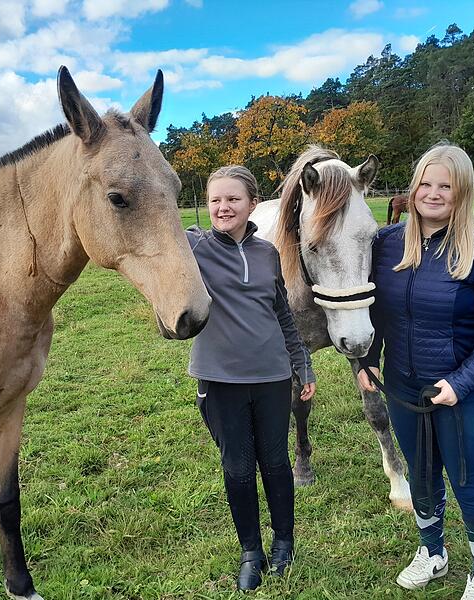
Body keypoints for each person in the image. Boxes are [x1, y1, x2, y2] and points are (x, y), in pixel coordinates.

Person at [357, 143, 474, 600]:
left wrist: (461, 383)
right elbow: (376, 310)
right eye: (425, 184)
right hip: (404, 387)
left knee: (469, 484)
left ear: (462, 192)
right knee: (421, 474)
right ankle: (432, 552)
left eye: (445, 186)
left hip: (463, 392)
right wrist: (370, 359)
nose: (432, 194)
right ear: (413, 189)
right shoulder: (386, 244)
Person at [185, 165, 316, 591]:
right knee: (238, 468)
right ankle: (250, 552)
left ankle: (283, 542)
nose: (223, 207)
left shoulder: (267, 254)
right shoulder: (194, 247)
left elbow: (283, 314)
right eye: (215, 200)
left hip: (273, 377)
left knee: (275, 463)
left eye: (233, 199)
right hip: (219, 380)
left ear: (253, 204)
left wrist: (302, 365)